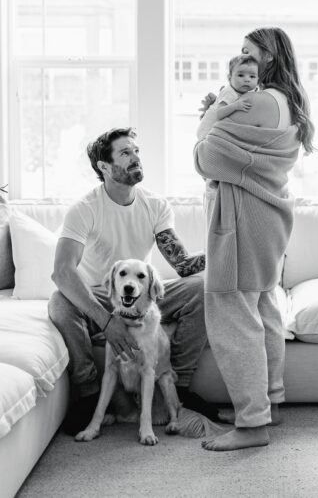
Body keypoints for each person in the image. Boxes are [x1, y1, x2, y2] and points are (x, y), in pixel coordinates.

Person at [48, 127, 218, 435]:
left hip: (142, 294)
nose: (135, 158)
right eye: (125, 153)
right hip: (99, 295)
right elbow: (62, 272)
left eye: (136, 151)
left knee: (200, 289)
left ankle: (177, 384)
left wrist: (223, 251)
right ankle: (87, 392)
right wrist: (106, 320)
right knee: (60, 301)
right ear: (104, 166)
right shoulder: (85, 209)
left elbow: (181, 264)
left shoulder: (155, 205)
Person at [194, 26, 315, 451]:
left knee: (231, 313)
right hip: (268, 221)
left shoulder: (259, 100)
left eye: (249, 51)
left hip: (244, 222)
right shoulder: (284, 101)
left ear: (269, 56)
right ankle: (268, 405)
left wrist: (213, 116)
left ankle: (251, 425)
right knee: (262, 307)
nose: (242, 58)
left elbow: (207, 155)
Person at [196, 54, 260, 140]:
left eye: (252, 76)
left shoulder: (244, 92)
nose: (247, 79)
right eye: (241, 75)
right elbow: (219, 113)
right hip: (207, 133)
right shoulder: (229, 92)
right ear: (229, 78)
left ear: (258, 80)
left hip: (216, 133)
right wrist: (236, 106)